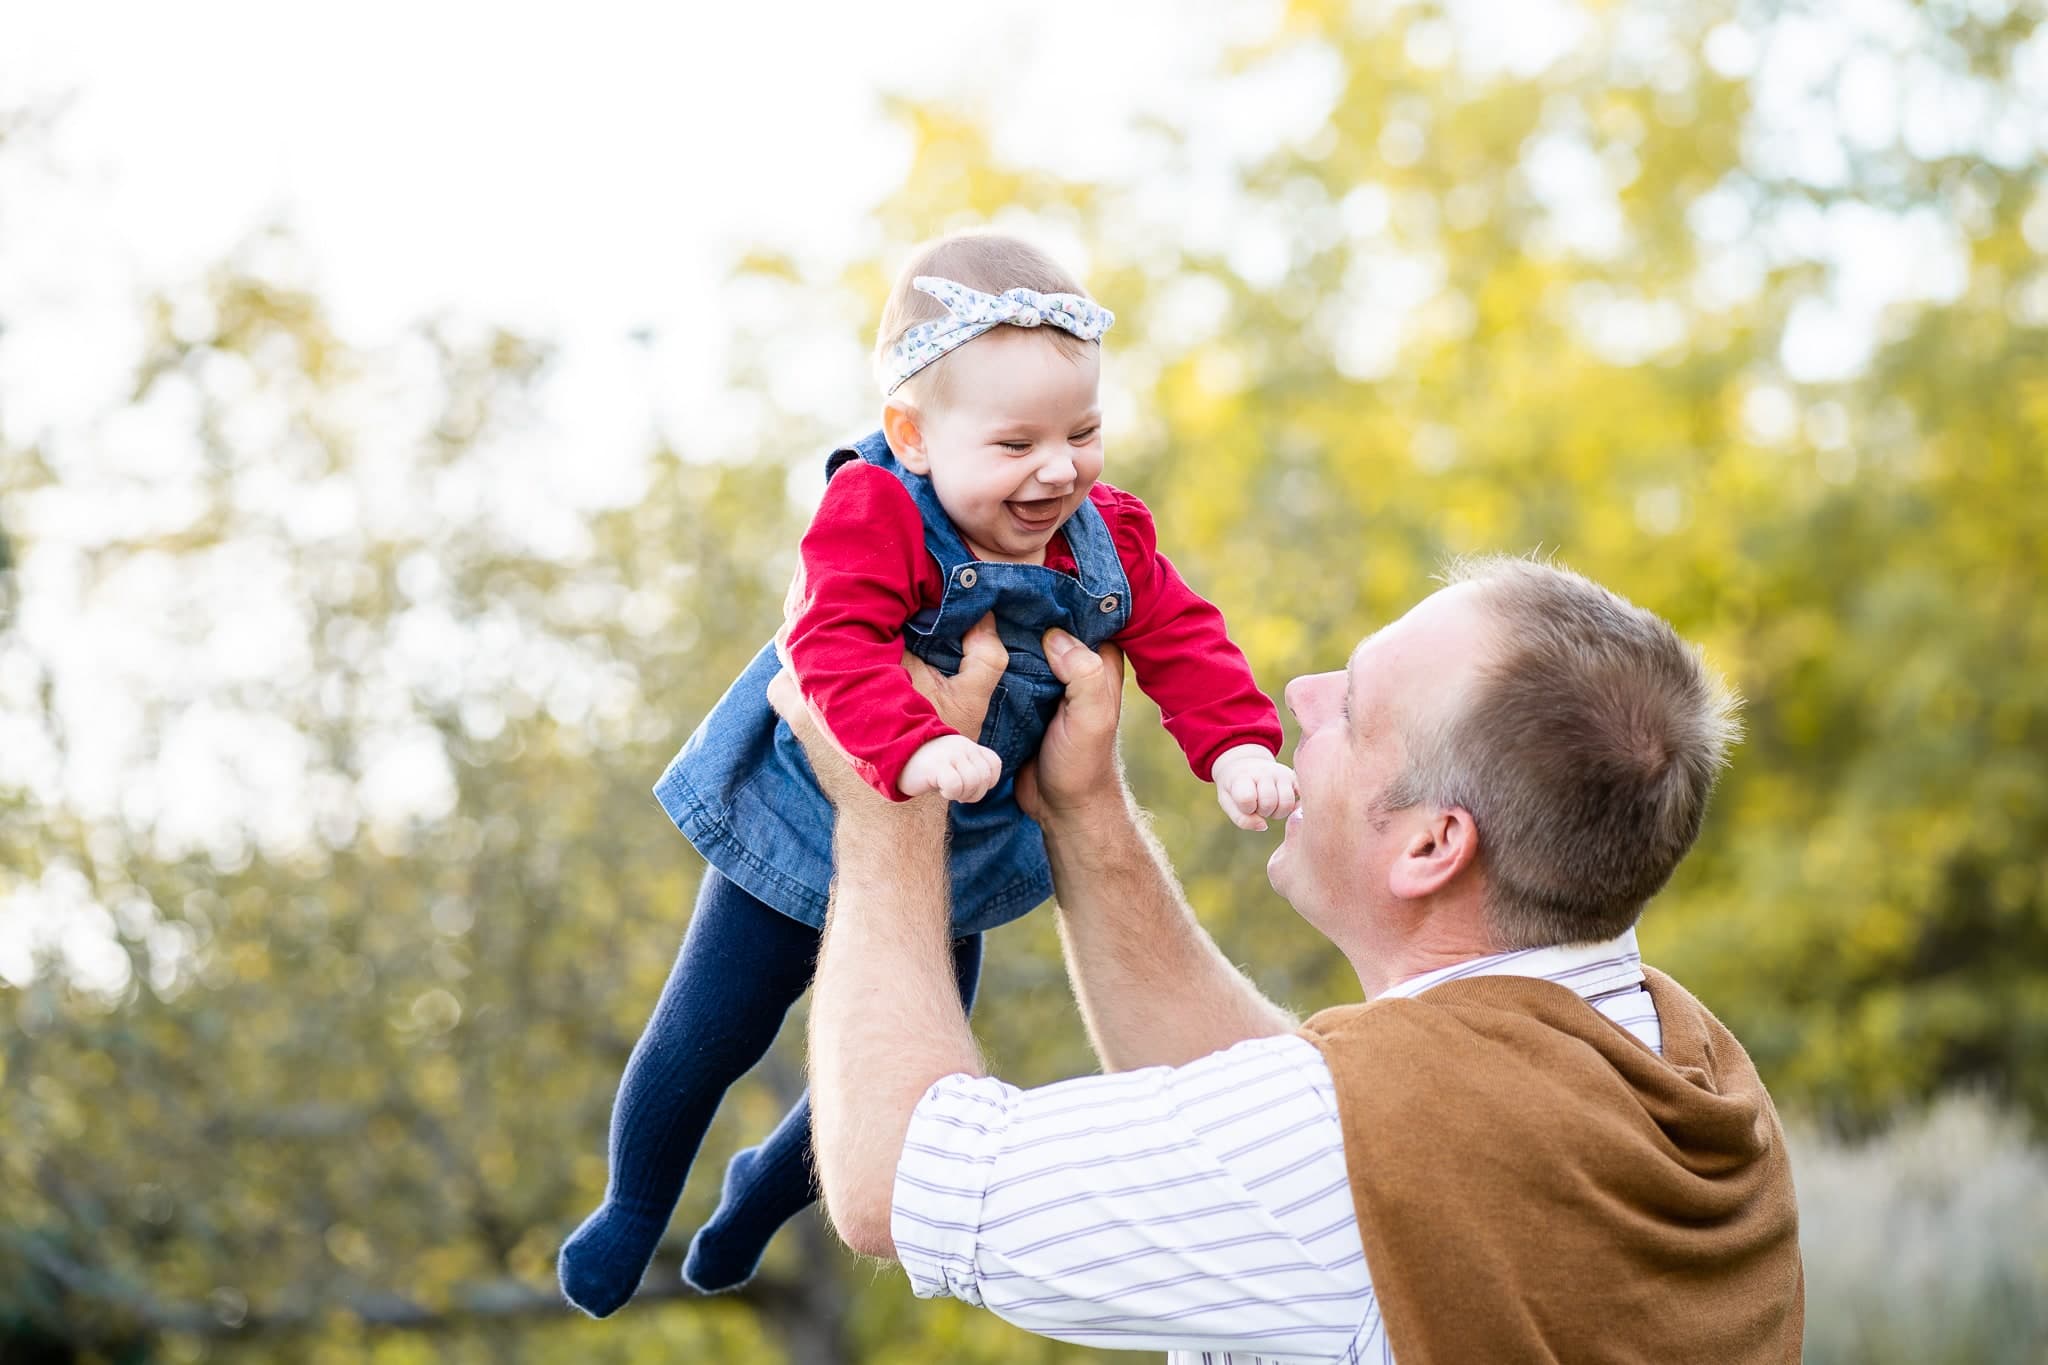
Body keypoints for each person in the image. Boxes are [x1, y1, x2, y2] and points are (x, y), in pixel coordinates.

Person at [786, 556, 1805, 1363]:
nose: (1301, 695)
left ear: (1428, 848)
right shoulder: (1673, 1054)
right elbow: (1306, 1114)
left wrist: (887, 811)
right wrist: (1081, 809)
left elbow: (893, 1177)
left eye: (1351, 712)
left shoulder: (1352, 1144)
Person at [557, 232, 1299, 1315]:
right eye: (1014, 443)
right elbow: (831, 646)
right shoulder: (873, 512)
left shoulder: (1106, 538)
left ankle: (764, 1191)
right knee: (710, 1029)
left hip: (960, 841)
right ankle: (630, 1206)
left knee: (913, 1054)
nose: (1057, 470)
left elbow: (1181, 636)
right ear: (911, 434)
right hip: (804, 820)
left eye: (1082, 432)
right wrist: (908, 745)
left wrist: (1233, 743)